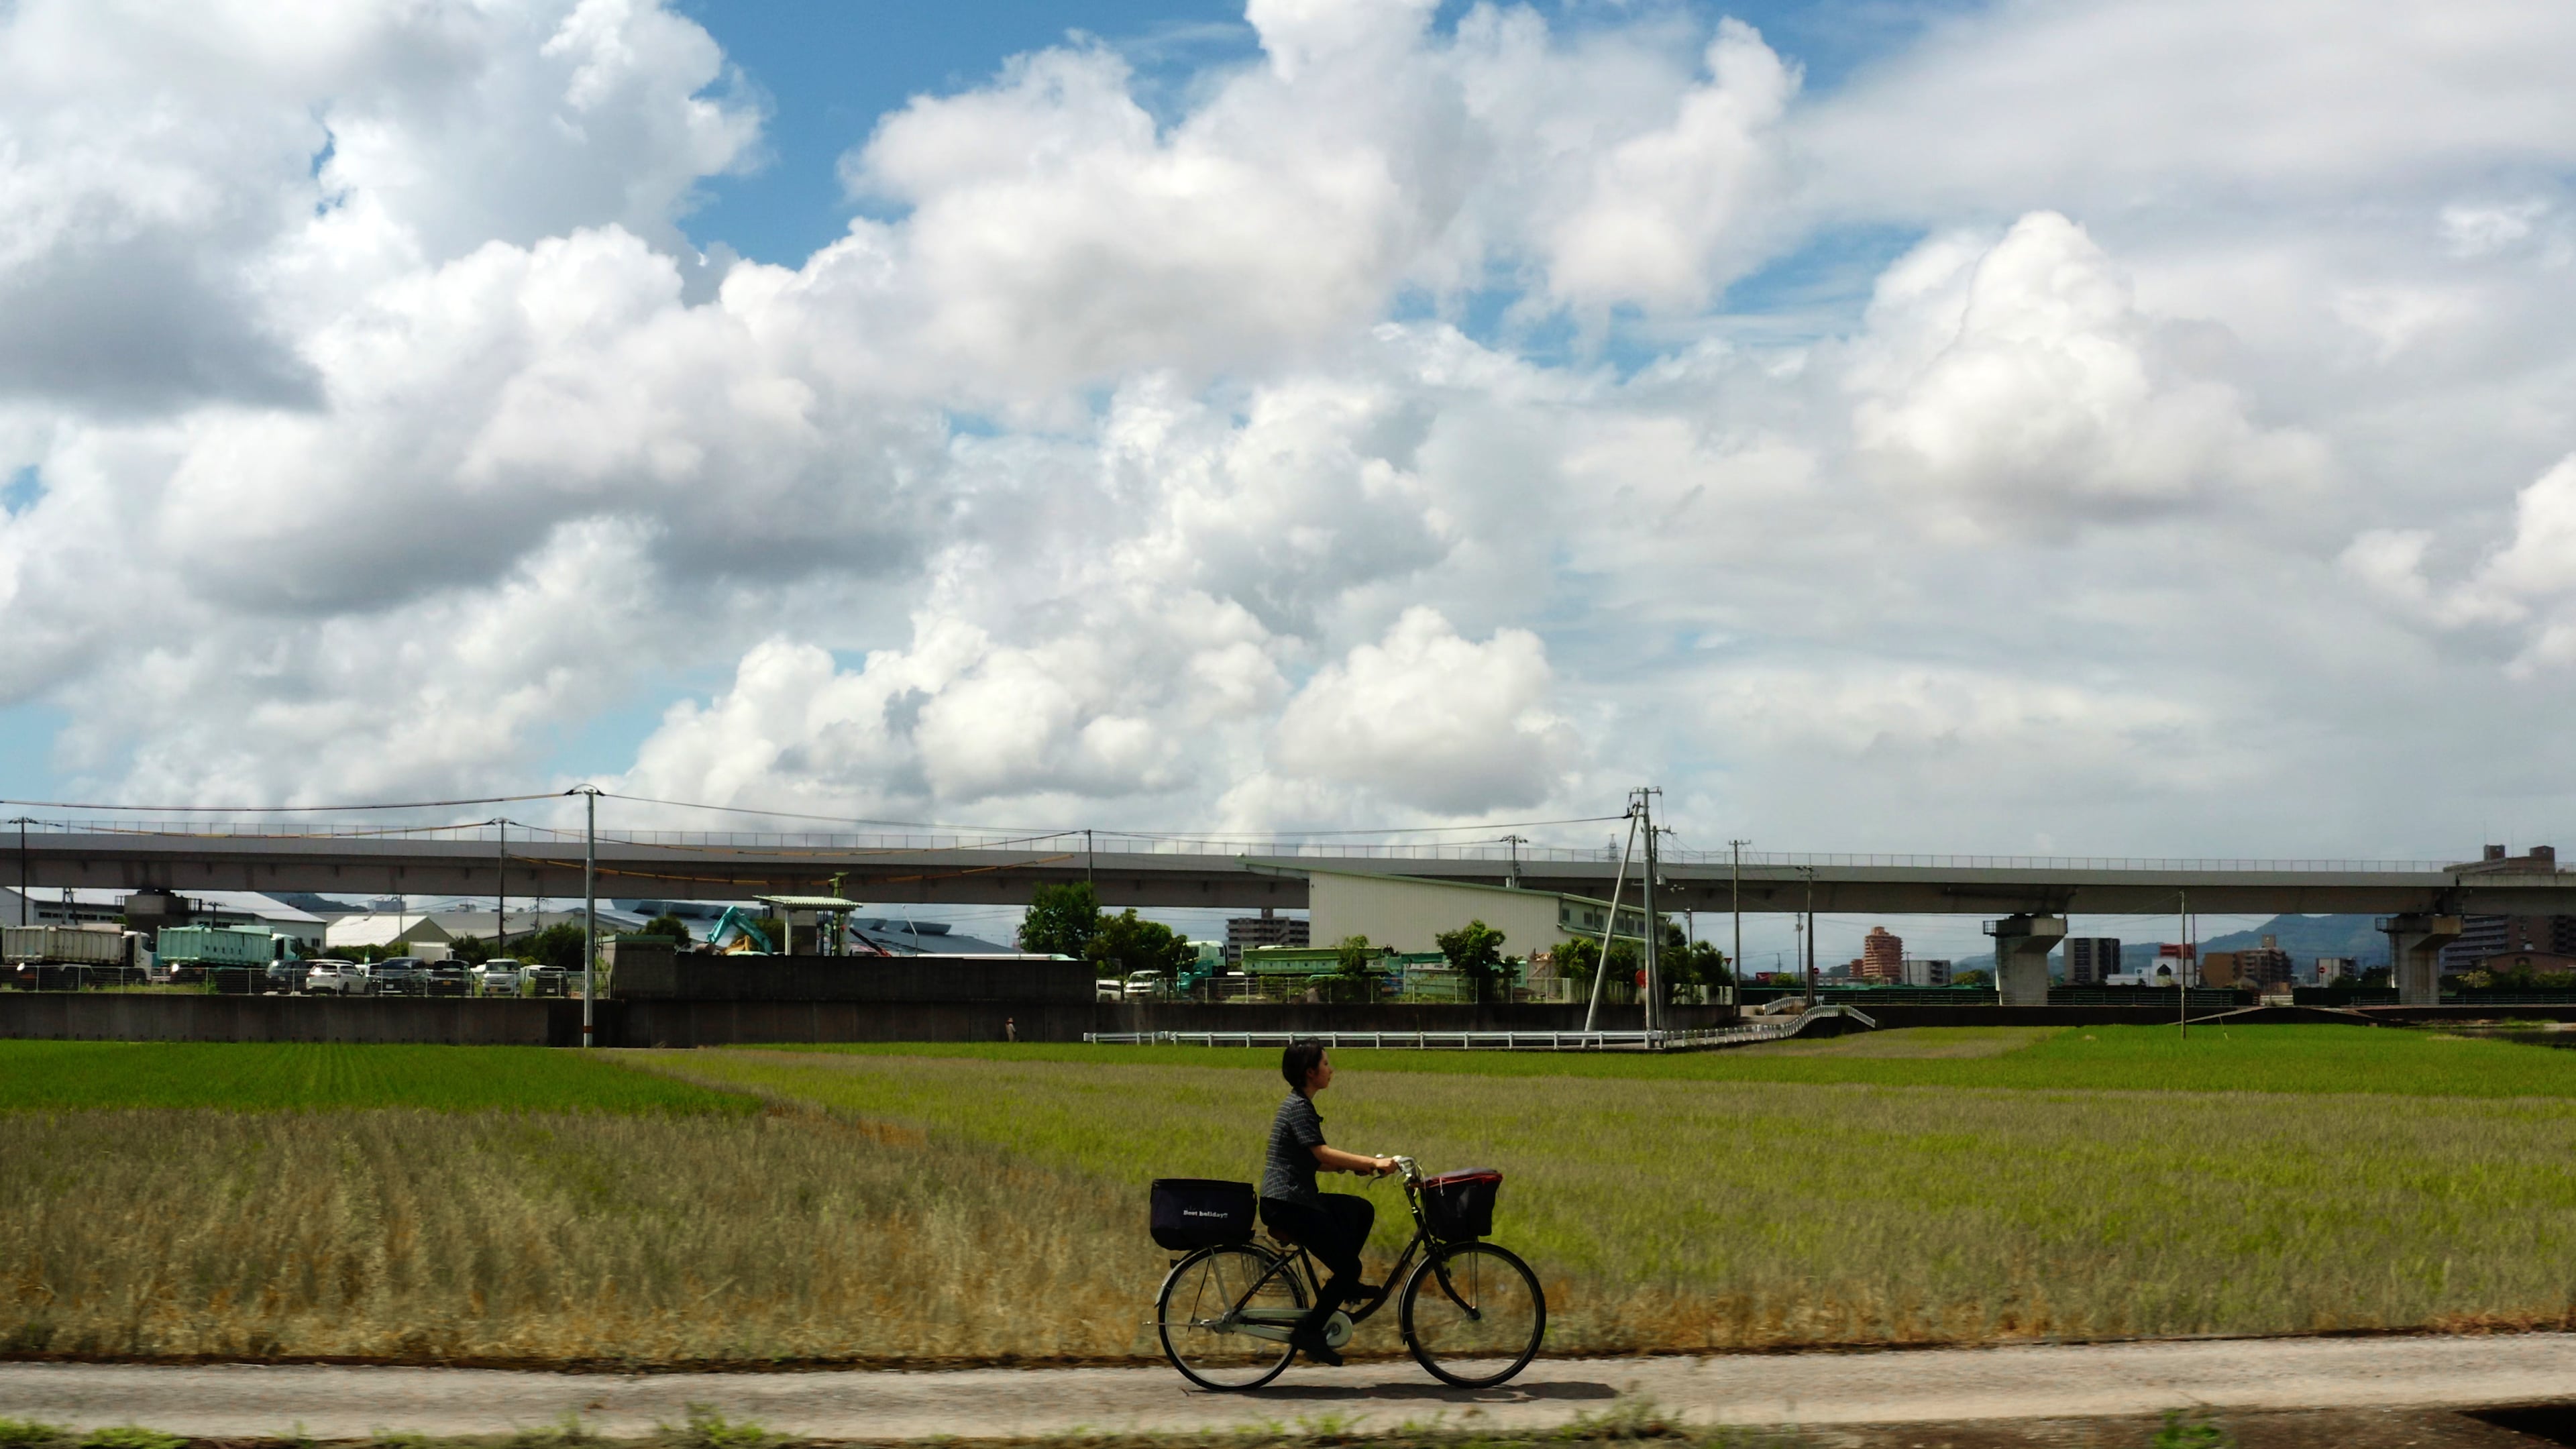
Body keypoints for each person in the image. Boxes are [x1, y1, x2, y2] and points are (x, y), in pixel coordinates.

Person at [1260, 1040, 1395, 1366]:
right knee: (1350, 1266)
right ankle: (1309, 1332)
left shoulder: (1299, 1104)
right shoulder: (1299, 1107)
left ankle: (1345, 1285)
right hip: (1288, 1203)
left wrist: (1356, 1166)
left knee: (1361, 1210)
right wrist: (1373, 1162)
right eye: (1326, 1064)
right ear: (1311, 1072)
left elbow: (1316, 1162)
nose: (1331, 1069)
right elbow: (1321, 1153)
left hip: (1294, 1199)